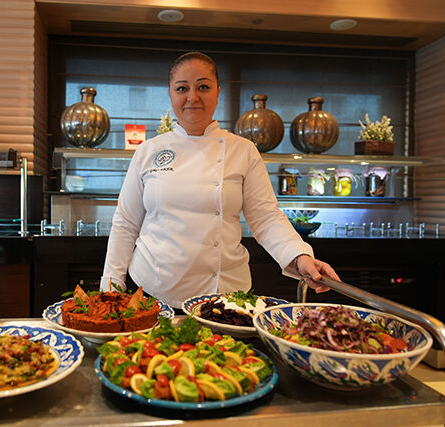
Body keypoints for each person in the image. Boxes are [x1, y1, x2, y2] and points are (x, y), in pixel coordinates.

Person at [100, 51, 340, 308]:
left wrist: (300, 255)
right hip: (153, 291)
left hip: (223, 295)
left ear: (218, 92)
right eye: (182, 88)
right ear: (170, 93)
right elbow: (126, 223)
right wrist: (111, 287)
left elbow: (266, 218)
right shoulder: (149, 151)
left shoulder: (243, 150)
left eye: (203, 87)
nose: (192, 97)